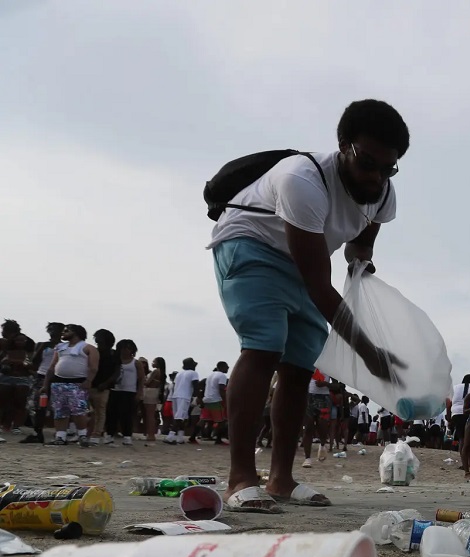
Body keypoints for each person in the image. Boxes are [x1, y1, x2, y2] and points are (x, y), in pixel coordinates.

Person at [207, 99, 409, 512]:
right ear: (343, 145)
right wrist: (371, 354)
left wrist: (360, 263)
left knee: (299, 365)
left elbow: (363, 238)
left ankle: (281, 478)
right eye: (367, 162)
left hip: (306, 256)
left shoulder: (381, 191)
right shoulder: (304, 180)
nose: (376, 177)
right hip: (252, 244)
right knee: (265, 346)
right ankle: (241, 477)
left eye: (388, 168)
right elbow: (319, 286)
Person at [42, 324, 98, 447]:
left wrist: (89, 380)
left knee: (78, 410)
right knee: (60, 411)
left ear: (76, 332)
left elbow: (93, 367)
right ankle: (60, 437)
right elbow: (52, 367)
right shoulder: (60, 347)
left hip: (77, 383)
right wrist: (46, 384)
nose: (63, 333)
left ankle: (82, 435)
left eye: (67, 331)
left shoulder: (88, 348)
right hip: (58, 383)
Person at [19, 322, 65, 444]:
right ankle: (37, 432)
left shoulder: (65, 346)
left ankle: (61, 433)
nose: (52, 331)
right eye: (50, 329)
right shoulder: (43, 345)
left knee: (58, 406)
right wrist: (42, 348)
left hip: (57, 377)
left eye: (56, 329)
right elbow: (35, 361)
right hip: (41, 375)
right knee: (37, 405)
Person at [105, 339, 144, 445]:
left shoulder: (136, 363)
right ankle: (109, 434)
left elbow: (141, 379)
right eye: (123, 348)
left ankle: (127, 436)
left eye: (128, 348)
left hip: (129, 391)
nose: (125, 350)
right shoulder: (115, 361)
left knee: (126, 414)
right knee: (111, 413)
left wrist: (139, 392)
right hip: (115, 389)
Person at [0, 320, 35, 439]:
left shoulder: (27, 347)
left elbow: (31, 365)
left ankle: (14, 425)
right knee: (5, 402)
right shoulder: (6, 345)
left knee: (18, 402)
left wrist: (16, 363)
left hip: (20, 377)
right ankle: (8, 425)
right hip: (9, 376)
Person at [89, 329, 119, 442]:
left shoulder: (114, 354)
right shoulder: (94, 351)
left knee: (100, 411)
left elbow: (117, 372)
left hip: (103, 387)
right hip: (91, 384)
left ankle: (97, 433)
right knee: (89, 411)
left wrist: (107, 383)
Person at [166, 359, 200, 445]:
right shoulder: (193, 373)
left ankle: (180, 437)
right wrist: (196, 397)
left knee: (181, 416)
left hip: (176, 395)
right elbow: (195, 385)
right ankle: (170, 436)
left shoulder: (179, 374)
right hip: (184, 396)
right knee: (180, 417)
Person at [202, 361, 230, 445]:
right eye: (227, 367)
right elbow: (221, 389)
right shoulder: (222, 376)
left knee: (204, 420)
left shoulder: (210, 375)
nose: (228, 368)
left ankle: (193, 437)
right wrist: (225, 400)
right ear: (222, 367)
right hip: (216, 400)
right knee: (221, 421)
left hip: (207, 399)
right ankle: (218, 439)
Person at [142, 356, 166, 443]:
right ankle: (150, 434)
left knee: (149, 415)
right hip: (154, 392)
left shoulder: (156, 371)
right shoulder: (161, 372)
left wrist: (142, 379)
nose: (152, 363)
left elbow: (147, 382)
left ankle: (150, 434)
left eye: (153, 361)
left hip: (150, 392)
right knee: (151, 415)